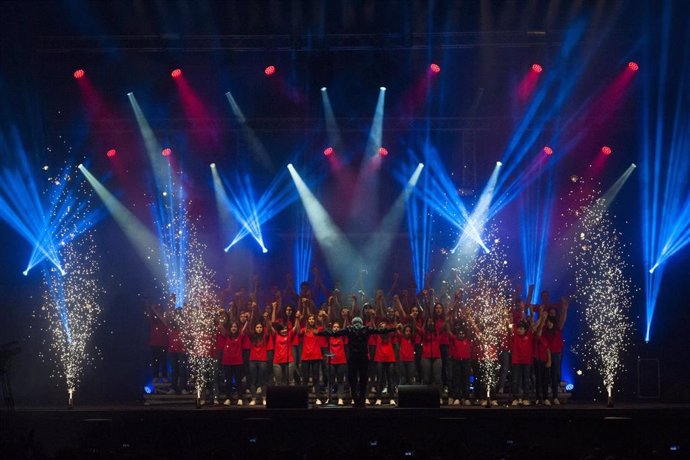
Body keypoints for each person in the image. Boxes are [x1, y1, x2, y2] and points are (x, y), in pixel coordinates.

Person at [317, 317, 396, 408]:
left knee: (353, 379)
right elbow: (380, 331)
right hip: (363, 358)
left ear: (353, 323)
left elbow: (334, 333)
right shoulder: (366, 329)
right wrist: (393, 328)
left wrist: (319, 333)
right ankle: (362, 400)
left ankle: (355, 398)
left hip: (353, 358)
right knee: (363, 379)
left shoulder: (349, 329)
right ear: (361, 323)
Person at [543, 296, 570, 405]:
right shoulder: (545, 327)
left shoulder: (558, 326)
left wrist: (564, 308)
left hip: (557, 352)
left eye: (554, 312)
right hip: (546, 353)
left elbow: (563, 318)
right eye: (551, 312)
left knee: (555, 373)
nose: (553, 314)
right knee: (547, 374)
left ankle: (555, 395)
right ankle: (546, 395)